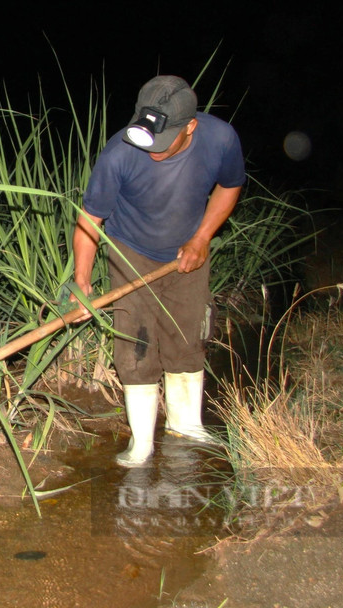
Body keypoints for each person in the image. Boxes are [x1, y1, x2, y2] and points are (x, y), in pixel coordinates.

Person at [72, 75, 245, 467]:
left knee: (187, 338)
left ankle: (186, 427)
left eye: (164, 142)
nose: (152, 150)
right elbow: (89, 221)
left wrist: (202, 238)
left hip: (188, 252)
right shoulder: (119, 152)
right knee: (136, 345)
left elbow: (230, 185)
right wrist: (81, 283)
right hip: (131, 252)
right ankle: (142, 443)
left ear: (190, 127)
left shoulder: (220, 139)